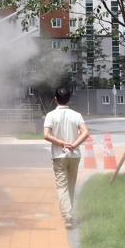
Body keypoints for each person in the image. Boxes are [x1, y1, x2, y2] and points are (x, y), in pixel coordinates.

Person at [43, 88, 89, 229]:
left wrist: (62, 144)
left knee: (61, 186)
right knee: (70, 185)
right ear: (69, 99)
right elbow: (85, 133)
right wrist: (72, 146)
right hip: (74, 155)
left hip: (59, 156)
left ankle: (67, 215)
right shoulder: (76, 115)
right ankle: (69, 212)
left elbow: (46, 135)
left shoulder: (50, 115)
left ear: (55, 99)